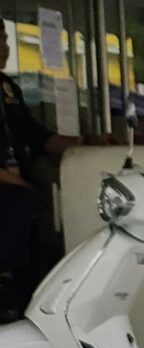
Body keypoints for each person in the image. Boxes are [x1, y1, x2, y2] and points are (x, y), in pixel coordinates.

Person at [0, 75, 83, 320]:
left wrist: (84, 143)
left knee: (51, 215)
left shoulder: (8, 88)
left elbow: (36, 135)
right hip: (11, 191)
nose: (5, 46)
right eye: (1, 39)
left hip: (22, 185)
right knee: (23, 203)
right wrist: (24, 186)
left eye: (6, 38)